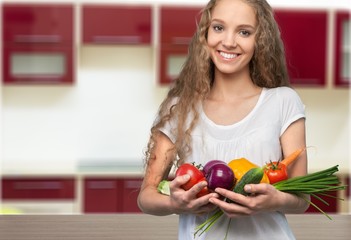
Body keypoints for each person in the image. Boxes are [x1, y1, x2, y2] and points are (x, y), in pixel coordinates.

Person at [138, 0, 310, 239]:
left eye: (244, 32)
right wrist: (175, 204)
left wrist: (275, 200)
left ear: (260, 41)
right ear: (205, 34)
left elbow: (302, 199)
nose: (228, 41)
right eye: (219, 28)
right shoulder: (178, 108)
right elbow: (146, 197)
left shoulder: (283, 102)